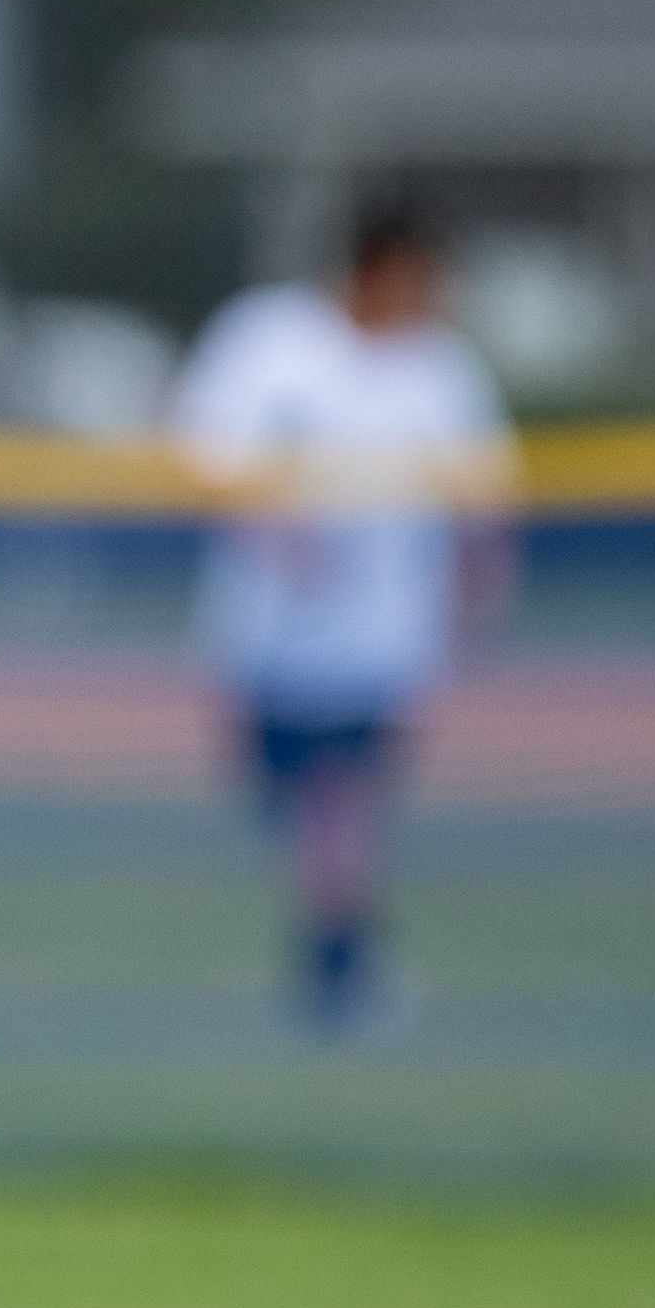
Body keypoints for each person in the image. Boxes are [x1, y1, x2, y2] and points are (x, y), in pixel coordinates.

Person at [170, 199, 517, 1032]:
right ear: (378, 267)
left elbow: (484, 502)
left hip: (383, 637)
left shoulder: (441, 369)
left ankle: (339, 954)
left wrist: (480, 592)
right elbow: (201, 450)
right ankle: (334, 940)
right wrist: (272, 526)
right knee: (291, 797)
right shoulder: (269, 340)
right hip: (270, 631)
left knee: (346, 792)